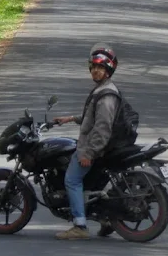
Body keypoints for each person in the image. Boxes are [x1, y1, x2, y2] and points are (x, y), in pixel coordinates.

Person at [51, 44, 120, 240]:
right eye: (94, 67)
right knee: (91, 184)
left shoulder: (106, 95)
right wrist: (71, 118)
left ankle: (79, 226)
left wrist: (88, 153)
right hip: (97, 145)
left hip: (95, 148)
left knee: (71, 180)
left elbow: (102, 127)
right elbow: (93, 118)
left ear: (108, 71)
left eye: (101, 68)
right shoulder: (102, 90)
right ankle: (105, 219)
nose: (96, 71)